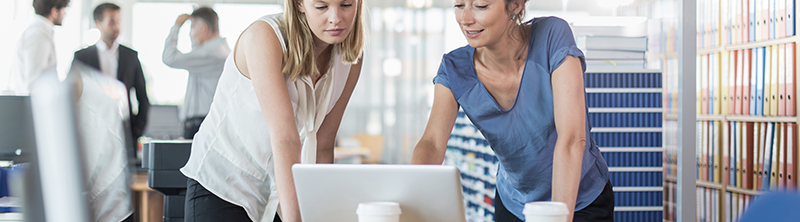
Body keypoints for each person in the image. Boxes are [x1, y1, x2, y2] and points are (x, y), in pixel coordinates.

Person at [410, 0, 613, 222]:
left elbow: (572, 139)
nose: (465, 19)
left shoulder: (552, 35)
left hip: (581, 200)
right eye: (459, 5)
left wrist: (555, 216)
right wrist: (413, 199)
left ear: (515, 4)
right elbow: (432, 143)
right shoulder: (454, 69)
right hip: (514, 204)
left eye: (480, 6)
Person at [179, 0, 366, 221]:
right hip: (224, 185)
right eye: (321, 7)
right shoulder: (264, 37)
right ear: (299, 4)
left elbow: (324, 145)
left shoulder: (351, 57)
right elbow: (286, 138)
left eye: (346, 4)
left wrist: (321, 214)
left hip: (279, 193)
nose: (336, 18)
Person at [74, 2, 150, 155]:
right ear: (98, 23)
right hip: (90, 133)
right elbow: (74, 96)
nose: (117, 26)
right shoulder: (81, 57)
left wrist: (136, 132)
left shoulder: (131, 56)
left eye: (119, 21)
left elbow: (143, 97)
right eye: (111, 21)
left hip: (124, 133)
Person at [162, 7, 230, 139]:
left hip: (201, 124)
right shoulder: (218, 50)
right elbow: (195, 49)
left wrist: (177, 26)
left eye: (192, 28)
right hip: (206, 122)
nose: (191, 34)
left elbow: (169, 57)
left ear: (203, 28)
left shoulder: (210, 54)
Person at [10, 0, 69, 93]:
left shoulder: (39, 32)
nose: (65, 13)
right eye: (64, 9)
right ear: (54, 11)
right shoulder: (39, 35)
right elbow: (35, 84)